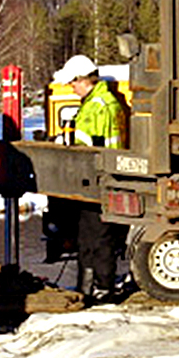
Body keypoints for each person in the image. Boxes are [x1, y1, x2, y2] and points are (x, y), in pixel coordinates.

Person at [52, 53, 125, 301]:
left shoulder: (98, 107)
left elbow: (96, 149)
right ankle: (88, 287)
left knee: (98, 238)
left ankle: (102, 288)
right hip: (96, 180)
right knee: (88, 237)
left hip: (99, 181)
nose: (71, 89)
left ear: (83, 79)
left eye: (73, 83)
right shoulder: (97, 103)